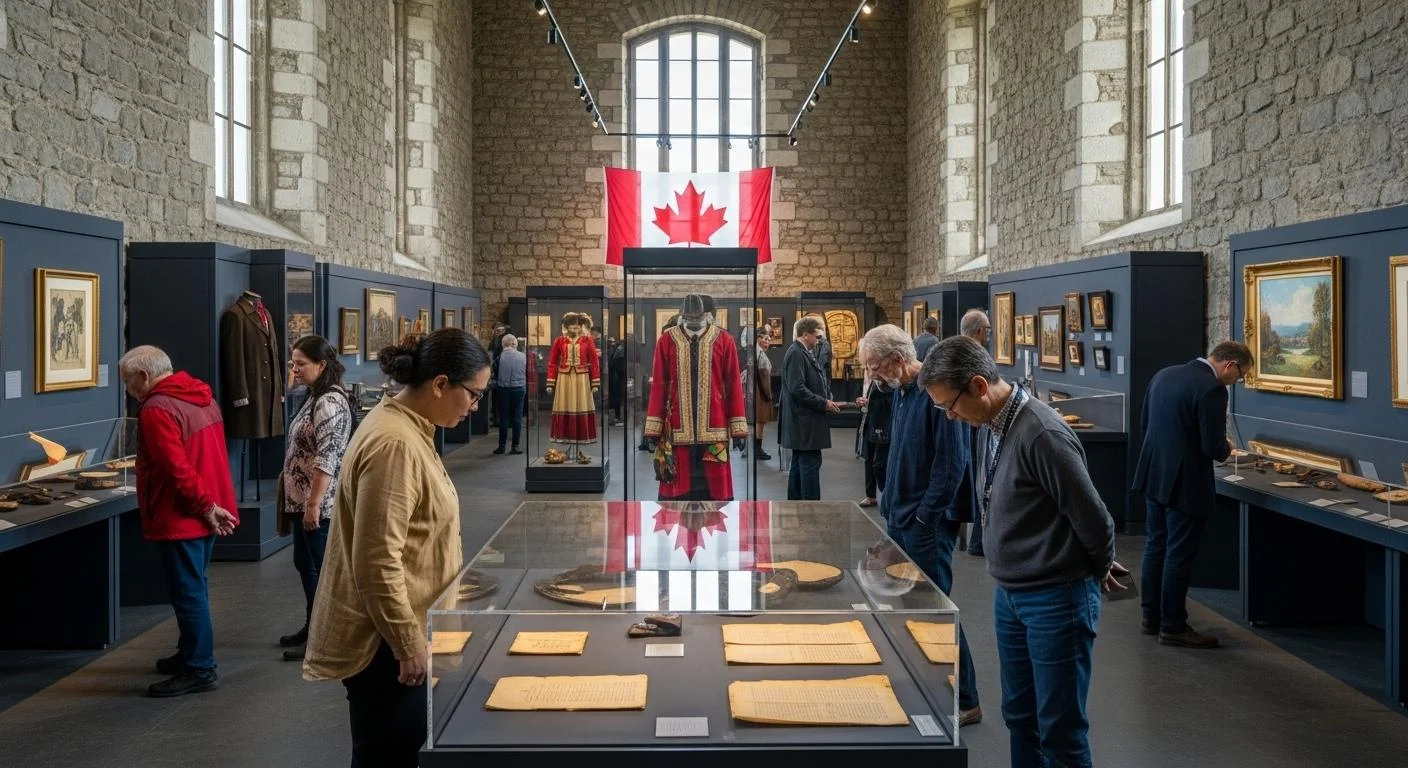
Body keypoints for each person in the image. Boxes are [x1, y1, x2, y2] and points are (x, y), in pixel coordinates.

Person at [921, 335, 1119, 768]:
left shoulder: (1043, 433)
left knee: (1059, 730)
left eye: (949, 405)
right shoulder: (989, 425)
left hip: (1056, 598)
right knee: (1020, 717)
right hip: (1010, 594)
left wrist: (1094, 570)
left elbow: (1096, 519)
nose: (950, 417)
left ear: (977, 385)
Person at [303, 329, 491, 767]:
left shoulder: (408, 428)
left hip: (404, 630)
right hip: (386, 645)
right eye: (474, 394)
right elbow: (377, 559)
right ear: (441, 384)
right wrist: (407, 642)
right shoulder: (394, 443)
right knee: (388, 755)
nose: (475, 406)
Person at [860, 325, 982, 727]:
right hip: (901, 517)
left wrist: (925, 516)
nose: (871, 375)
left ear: (897, 360)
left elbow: (952, 466)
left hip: (924, 525)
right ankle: (921, 682)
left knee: (936, 611)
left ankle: (965, 699)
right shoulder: (899, 393)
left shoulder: (936, 396)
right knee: (905, 607)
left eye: (874, 366)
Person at [119, 345, 239, 697]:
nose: (128, 391)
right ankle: (191, 653)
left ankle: (200, 667)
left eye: (128, 382)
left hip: (185, 514)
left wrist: (203, 506)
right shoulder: (200, 395)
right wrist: (210, 506)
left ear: (144, 376)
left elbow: (176, 470)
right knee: (193, 586)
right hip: (208, 510)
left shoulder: (157, 408)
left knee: (188, 593)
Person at [1132, 340, 1251, 649]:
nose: (1237, 381)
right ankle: (1173, 625)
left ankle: (1150, 617)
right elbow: (1211, 447)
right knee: (1179, 556)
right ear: (1229, 365)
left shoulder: (1164, 375)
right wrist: (1227, 447)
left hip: (1154, 473)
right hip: (1185, 483)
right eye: (1240, 375)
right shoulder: (1212, 389)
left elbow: (1145, 424)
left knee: (1156, 546)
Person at [278, 335, 354, 662]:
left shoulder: (329, 403)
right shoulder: (313, 396)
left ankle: (329, 637)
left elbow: (329, 457)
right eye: (293, 363)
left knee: (323, 571)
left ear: (321, 365)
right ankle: (314, 627)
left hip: (318, 506)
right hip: (303, 502)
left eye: (301, 364)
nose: (295, 369)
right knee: (305, 565)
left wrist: (313, 504)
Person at [780, 316, 841, 500]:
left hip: (805, 421)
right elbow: (797, 388)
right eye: (817, 336)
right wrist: (823, 403)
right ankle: (812, 508)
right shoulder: (797, 353)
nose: (819, 340)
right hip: (804, 421)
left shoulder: (801, 352)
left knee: (801, 464)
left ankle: (798, 505)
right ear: (805, 334)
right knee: (809, 464)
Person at [961, 309, 993, 557]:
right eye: (988, 330)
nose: (989, 335)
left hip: (968, 423)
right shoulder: (975, 356)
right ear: (980, 331)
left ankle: (974, 540)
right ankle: (977, 542)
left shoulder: (957, 352)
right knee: (982, 478)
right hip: (973, 424)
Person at [855, 367, 893, 508]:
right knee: (869, 460)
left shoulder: (890, 381)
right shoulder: (875, 381)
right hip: (870, 424)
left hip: (884, 427)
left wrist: (868, 403)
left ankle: (887, 495)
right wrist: (863, 401)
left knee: (880, 464)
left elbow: (890, 404)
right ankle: (871, 495)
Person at [493, 333, 527, 455]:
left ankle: (501, 446)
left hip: (504, 389)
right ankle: (515, 446)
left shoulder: (499, 357)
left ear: (504, 344)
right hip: (519, 388)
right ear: (515, 344)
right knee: (517, 418)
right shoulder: (523, 356)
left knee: (504, 418)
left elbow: (495, 373)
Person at [746, 331, 775, 461]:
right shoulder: (758, 354)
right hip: (760, 391)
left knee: (759, 422)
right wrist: (768, 394)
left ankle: (755, 448)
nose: (767, 342)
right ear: (758, 338)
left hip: (757, 390)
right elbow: (763, 377)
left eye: (769, 340)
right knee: (759, 421)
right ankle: (757, 449)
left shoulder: (756, 353)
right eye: (765, 339)